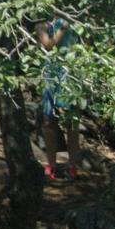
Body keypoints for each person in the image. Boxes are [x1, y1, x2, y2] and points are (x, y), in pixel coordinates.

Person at [36, 15, 82, 182]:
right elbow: (48, 45)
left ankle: (73, 166)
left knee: (72, 123)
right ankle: (51, 165)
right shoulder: (42, 25)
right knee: (48, 122)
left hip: (71, 77)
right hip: (51, 77)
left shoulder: (77, 24)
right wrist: (61, 28)